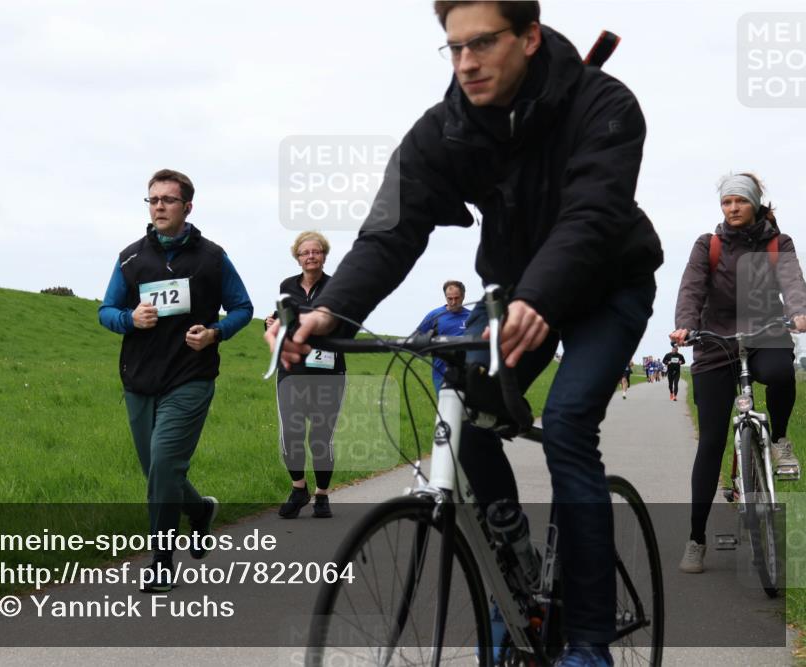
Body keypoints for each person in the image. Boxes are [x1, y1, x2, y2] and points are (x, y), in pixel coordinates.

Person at [268, 2, 662, 664]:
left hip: (608, 285)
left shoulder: (604, 103)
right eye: (452, 48)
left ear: (529, 37)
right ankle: (516, 568)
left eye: (481, 43)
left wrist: (538, 296)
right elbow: (392, 230)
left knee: (567, 425)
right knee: (469, 423)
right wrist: (328, 310)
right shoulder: (445, 129)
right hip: (514, 294)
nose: (466, 62)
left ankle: (588, 639)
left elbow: (594, 212)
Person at [99, 168, 253, 591]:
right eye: (153, 200)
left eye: (168, 199)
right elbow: (105, 311)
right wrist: (129, 319)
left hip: (190, 376)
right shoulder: (131, 258)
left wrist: (215, 333)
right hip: (139, 379)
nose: (159, 206)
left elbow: (242, 308)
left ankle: (162, 561)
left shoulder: (212, 257)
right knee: (156, 472)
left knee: (165, 464)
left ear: (187, 206)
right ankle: (200, 511)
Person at [671, 172, 806, 574]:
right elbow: (691, 289)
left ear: (755, 204)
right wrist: (684, 324)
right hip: (714, 341)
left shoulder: (777, 244)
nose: (732, 209)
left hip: (765, 332)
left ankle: (779, 440)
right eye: (727, 203)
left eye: (740, 202)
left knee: (781, 372)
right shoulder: (707, 245)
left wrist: (798, 312)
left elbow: (792, 281)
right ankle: (696, 539)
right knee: (711, 441)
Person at [264, 232, 346, 519]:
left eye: (316, 251)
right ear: (297, 257)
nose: (310, 256)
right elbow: (283, 319)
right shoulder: (287, 286)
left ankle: (322, 495)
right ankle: (299, 488)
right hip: (293, 369)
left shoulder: (337, 286)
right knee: (292, 432)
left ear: (324, 255)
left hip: (329, 370)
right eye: (304, 253)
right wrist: (271, 321)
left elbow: (345, 324)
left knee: (321, 438)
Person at [416, 280, 472, 393]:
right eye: (449, 298)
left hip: (467, 372)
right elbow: (416, 337)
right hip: (440, 373)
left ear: (463, 296)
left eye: (456, 298)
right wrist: (425, 349)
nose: (453, 302)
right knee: (444, 409)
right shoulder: (435, 315)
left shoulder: (471, 316)